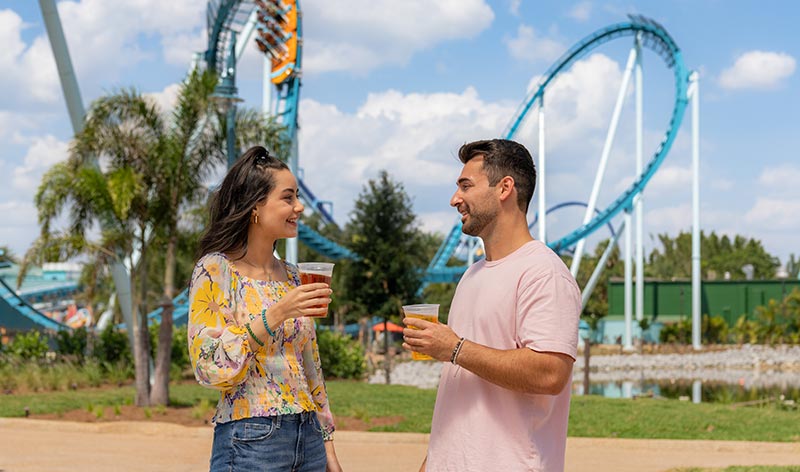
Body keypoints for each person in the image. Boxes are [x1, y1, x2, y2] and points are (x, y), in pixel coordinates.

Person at [402, 139, 581, 472]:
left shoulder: (544, 273)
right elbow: (462, 393)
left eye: (465, 186)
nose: (455, 199)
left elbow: (551, 373)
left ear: (505, 188)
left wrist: (454, 348)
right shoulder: (472, 275)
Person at [187, 145, 343, 472]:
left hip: (309, 436)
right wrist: (275, 314)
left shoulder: (295, 276)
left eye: (297, 197)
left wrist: (327, 444)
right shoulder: (215, 271)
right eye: (288, 198)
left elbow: (309, 365)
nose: (299, 207)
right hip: (252, 436)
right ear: (255, 206)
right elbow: (209, 368)